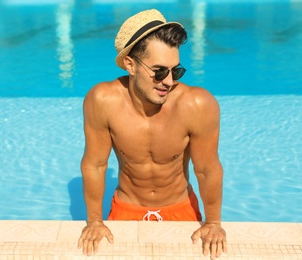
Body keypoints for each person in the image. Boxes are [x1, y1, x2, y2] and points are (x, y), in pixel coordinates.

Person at [77, 9, 227, 259]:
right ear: (130, 64)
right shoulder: (103, 100)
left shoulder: (197, 104)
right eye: (159, 71)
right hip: (126, 208)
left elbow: (207, 169)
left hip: (182, 209)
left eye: (175, 71)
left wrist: (213, 223)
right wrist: (94, 221)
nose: (168, 81)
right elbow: (95, 164)